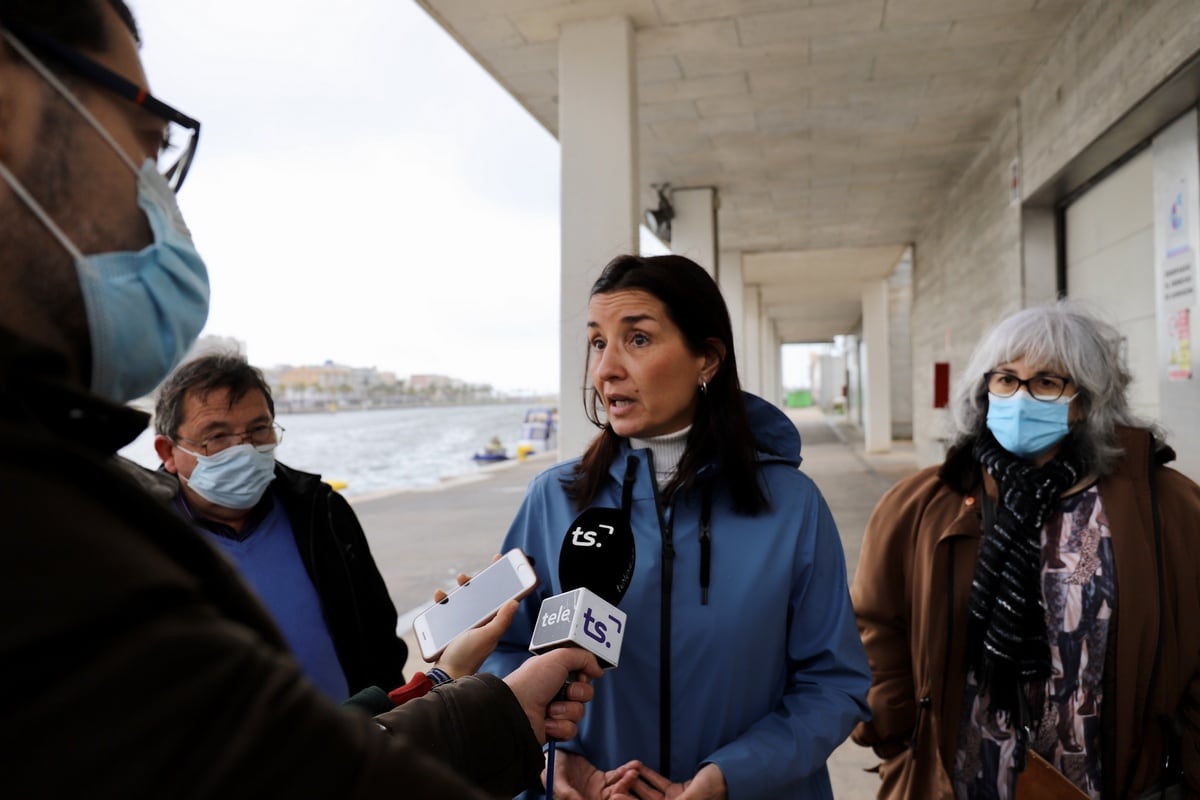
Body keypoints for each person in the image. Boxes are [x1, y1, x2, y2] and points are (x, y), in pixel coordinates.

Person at [0, 2, 604, 796]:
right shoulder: (46, 529)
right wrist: (490, 714)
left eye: (259, 432)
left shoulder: (291, 513)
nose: (158, 216)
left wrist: (453, 687)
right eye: (145, 148)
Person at [482, 254, 872, 799]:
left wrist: (728, 777)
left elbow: (833, 685)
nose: (606, 369)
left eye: (637, 339)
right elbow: (502, 651)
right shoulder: (553, 500)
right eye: (598, 342)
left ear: (707, 359)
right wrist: (555, 762)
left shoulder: (792, 506)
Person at [851, 302, 1200, 799]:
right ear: (985, 390)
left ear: (1084, 402)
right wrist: (897, 734)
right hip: (963, 779)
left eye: (1046, 382)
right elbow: (875, 626)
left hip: (1109, 781)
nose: (1021, 396)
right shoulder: (921, 505)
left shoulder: (1168, 507)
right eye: (1007, 380)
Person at [143, 352, 406, 702]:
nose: (245, 450)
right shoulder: (138, 537)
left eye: (258, 429)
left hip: (356, 741)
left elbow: (379, 634)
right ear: (168, 452)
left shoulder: (321, 511)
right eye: (217, 436)